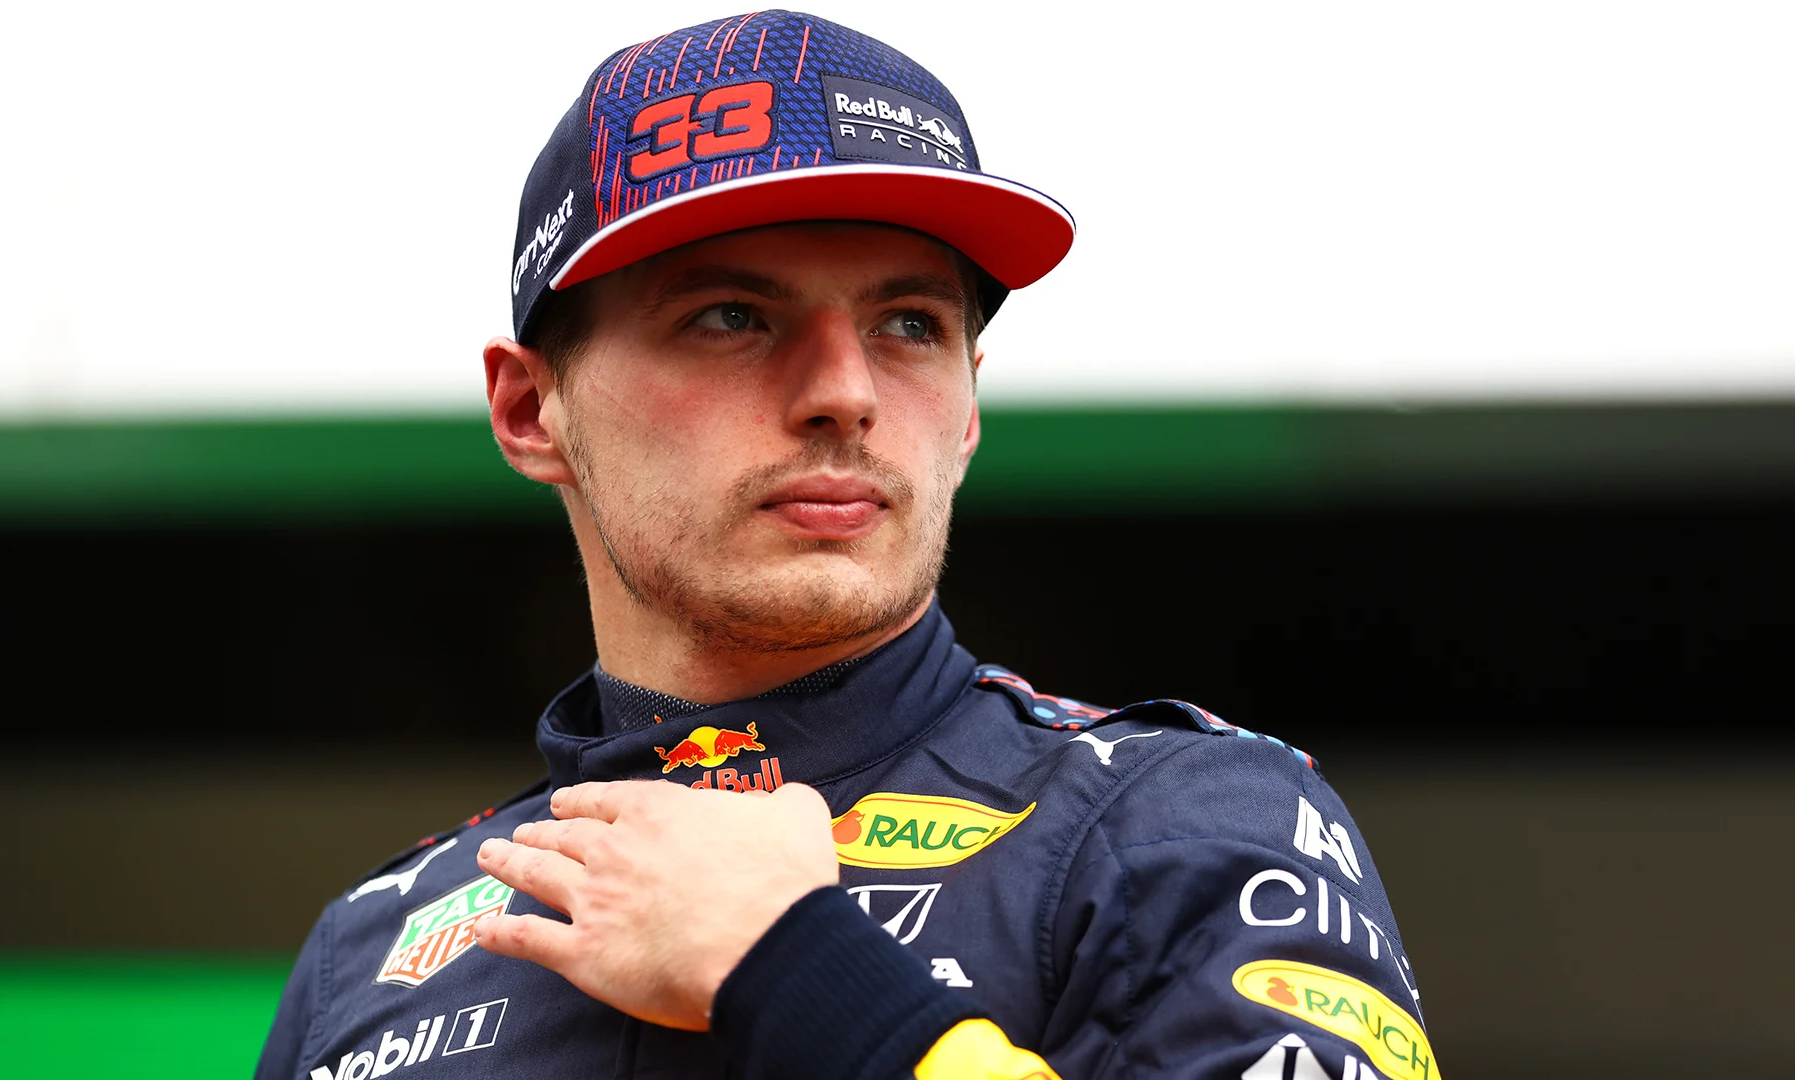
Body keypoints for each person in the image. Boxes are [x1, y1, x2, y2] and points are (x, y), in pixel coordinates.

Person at [255, 10, 1436, 1080]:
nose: (844, 392)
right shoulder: (375, 947)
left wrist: (803, 974)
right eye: (731, 316)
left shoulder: (1183, 825)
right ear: (529, 411)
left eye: (908, 325)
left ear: (967, 409)